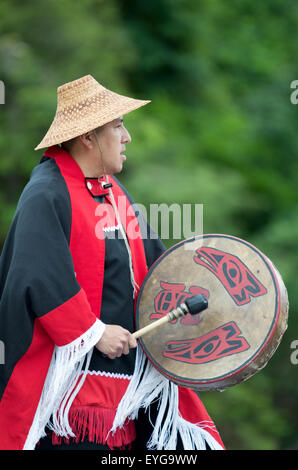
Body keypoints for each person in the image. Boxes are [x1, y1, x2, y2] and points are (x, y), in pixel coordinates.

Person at [0, 75, 224, 450]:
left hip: (126, 398)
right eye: (118, 126)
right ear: (88, 137)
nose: (127, 137)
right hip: (66, 408)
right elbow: (36, 274)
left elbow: (157, 268)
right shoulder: (46, 194)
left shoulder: (112, 193)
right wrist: (94, 332)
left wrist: (201, 294)